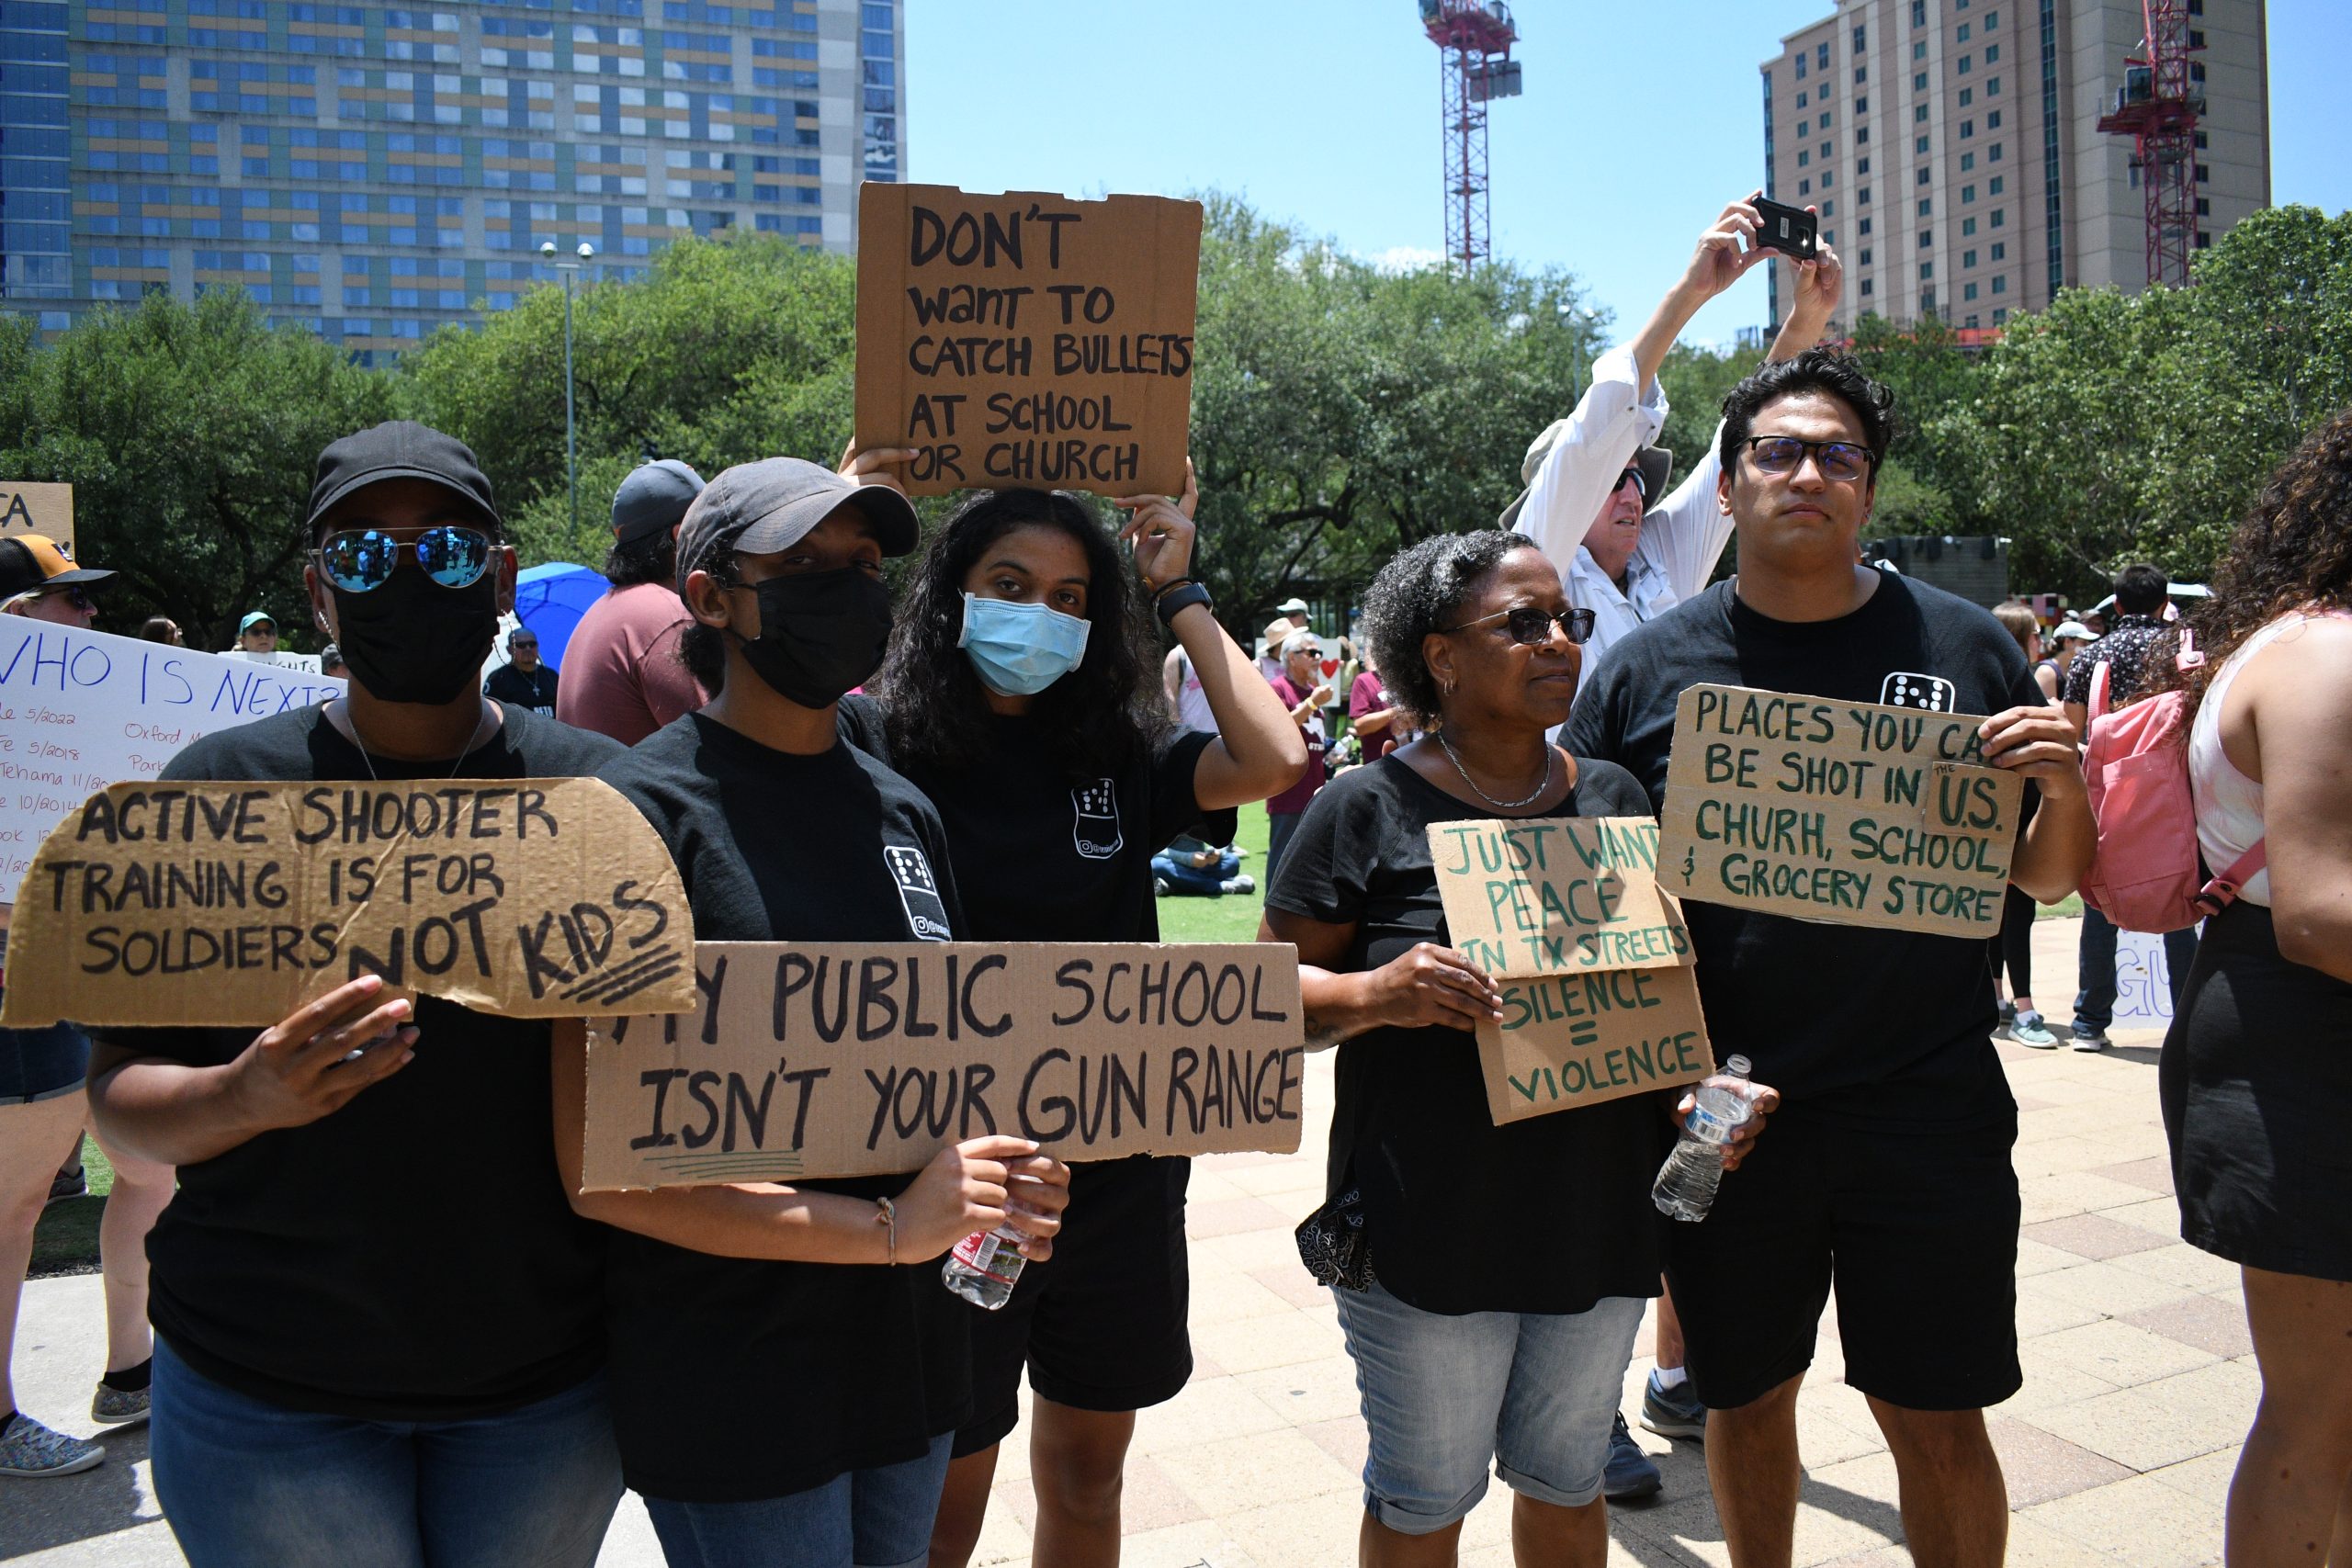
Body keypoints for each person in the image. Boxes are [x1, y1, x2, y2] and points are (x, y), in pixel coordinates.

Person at [1566, 350, 2095, 1568]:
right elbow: (1595, 904)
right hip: (1723, 1116)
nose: (1808, 473)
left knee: (1938, 1415)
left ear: (1868, 487)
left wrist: (2065, 787)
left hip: (1930, 1107)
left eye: (1838, 454)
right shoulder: (1644, 672)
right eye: (1778, 451)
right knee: (1745, 1400)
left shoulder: (1966, 647)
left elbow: (2049, 877)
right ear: (1731, 483)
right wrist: (1666, 1076)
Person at [86, 421, 628, 1565]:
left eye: (447, 551)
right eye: (365, 555)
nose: (408, 580)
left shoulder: (600, 797)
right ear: (318, 592)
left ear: (500, 579)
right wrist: (243, 1095)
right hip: (264, 1397)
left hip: (542, 1394)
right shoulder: (217, 794)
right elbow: (118, 1101)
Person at [553, 455, 1072, 1568]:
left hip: (911, 1353)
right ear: (710, 598)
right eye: (803, 563)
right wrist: (886, 1233)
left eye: (865, 562)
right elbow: (602, 1170)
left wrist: (996, 1182)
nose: (847, 586)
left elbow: (943, 1064)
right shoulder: (627, 817)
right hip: (737, 1374)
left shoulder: (902, 809)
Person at [1262, 530, 1775, 1567]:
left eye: (1567, 620)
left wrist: (1699, 1093)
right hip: (1428, 1229)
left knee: (1568, 1478)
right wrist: (1375, 993)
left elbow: (1648, 993)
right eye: (1523, 623)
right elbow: (1258, 1001)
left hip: (1597, 1219)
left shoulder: (1614, 797)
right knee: (1423, 1498)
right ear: (1440, 657)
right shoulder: (1365, 806)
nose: (1559, 642)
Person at [834, 455, 1303, 1568]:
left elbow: (1276, 757)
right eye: (1008, 585)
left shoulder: (1119, 750)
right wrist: (835, 525)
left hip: (1115, 1173)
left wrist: (1177, 589)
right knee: (941, 1500)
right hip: (944, 1172)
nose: (1037, 614)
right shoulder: (873, 739)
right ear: (950, 593)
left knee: (1089, 1480)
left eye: (1068, 597)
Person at [2159, 411, 2352, 1567]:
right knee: (2316, 1412)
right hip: (2305, 1036)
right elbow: (2320, 912)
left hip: (2285, 1022)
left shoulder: (2294, 639)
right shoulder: (2325, 657)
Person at [0, 536, 176, 1479]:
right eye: (68, 600)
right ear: (15, 618)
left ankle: (131, 1372)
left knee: (147, 1170)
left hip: (91, 967)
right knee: (14, 1207)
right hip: (17, 983)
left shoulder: (81, 708)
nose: (90, 615)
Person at [1506, 199, 1844, 669]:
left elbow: (1739, 444)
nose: (1633, 496)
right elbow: (1591, 442)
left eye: (1636, 478)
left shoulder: (1657, 559)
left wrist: (1807, 318)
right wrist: (1690, 292)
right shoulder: (1540, 563)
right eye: (1613, 481)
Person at [2062, 563, 2198, 1050]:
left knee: (2100, 902)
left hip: (2107, 796)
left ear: (2117, 605)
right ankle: (2189, 1020)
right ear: (2165, 603)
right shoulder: (2183, 654)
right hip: (2173, 793)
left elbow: (2071, 730)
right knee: (2181, 898)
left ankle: (2089, 1022)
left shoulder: (2092, 656)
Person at [557, 457, 710, 745]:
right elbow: (719, 748)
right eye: (710, 527)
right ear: (681, 538)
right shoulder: (666, 615)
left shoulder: (602, 611)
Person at [1985, 604, 2061, 1048]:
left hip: (1996, 818)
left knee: (2000, 917)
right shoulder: (2020, 688)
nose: (2039, 642)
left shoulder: (1993, 682)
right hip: (2015, 816)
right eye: (2033, 634)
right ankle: (2025, 1009)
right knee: (2017, 917)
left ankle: (1998, 998)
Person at [1265, 627, 1335, 882]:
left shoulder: (1312, 690)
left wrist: (1331, 753)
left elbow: (1313, 737)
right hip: (1288, 791)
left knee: (1311, 860)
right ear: (1291, 657)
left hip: (1315, 789)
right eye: (1310, 652)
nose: (1317, 657)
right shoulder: (1278, 688)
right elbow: (1278, 727)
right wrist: (1312, 703)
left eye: (1319, 652)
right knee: (1282, 859)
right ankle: (1271, 906)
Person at [484, 626, 560, 715]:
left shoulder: (551, 676)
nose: (528, 649)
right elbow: (490, 713)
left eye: (532, 644)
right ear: (509, 649)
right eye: (521, 645)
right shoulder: (498, 678)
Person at [1152, 833, 1252, 897]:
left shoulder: (1205, 807)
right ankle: (1222, 886)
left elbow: (1221, 837)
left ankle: (1175, 886)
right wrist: (1189, 859)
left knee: (1231, 861)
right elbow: (1151, 849)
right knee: (1156, 865)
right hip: (1171, 864)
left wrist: (1217, 853)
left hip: (1201, 864)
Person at [1347, 658, 1404, 761]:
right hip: (1380, 761)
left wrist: (1408, 720)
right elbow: (1360, 726)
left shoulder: (1406, 679)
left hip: (1414, 759)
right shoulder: (1364, 680)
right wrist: (1396, 712)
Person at [2034, 618, 2091, 704]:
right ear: (2067, 642)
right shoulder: (2046, 671)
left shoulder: (2074, 669)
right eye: (2083, 643)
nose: (2088, 647)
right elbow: (2045, 708)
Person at [1259, 597, 1310, 683]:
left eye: (1293, 614)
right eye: (1290, 640)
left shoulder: (1295, 663)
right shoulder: (1259, 665)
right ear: (1280, 644)